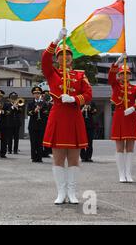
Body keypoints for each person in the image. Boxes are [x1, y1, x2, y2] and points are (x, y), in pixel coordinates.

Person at [42, 28, 93, 205]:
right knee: (58, 157)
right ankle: (60, 192)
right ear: (57, 58)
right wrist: (56, 40)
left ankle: (72, 192)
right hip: (57, 116)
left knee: (73, 157)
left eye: (68, 54)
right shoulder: (52, 73)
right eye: (61, 55)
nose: (65, 57)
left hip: (74, 116)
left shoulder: (80, 74)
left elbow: (88, 94)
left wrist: (74, 98)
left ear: (72, 57)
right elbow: (44, 60)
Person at [109, 53, 136, 183]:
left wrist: (134, 108)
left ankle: (128, 173)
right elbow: (110, 76)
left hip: (130, 116)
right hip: (119, 116)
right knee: (119, 147)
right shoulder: (115, 85)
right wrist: (118, 61)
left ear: (130, 75)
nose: (125, 76)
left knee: (130, 147)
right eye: (122, 74)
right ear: (119, 76)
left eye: (127, 74)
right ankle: (121, 174)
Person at [27, 87, 48, 163]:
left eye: (38, 93)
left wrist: (41, 109)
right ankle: (33, 157)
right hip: (32, 125)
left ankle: (39, 157)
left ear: (40, 94)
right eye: (35, 93)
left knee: (40, 142)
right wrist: (34, 110)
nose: (37, 95)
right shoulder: (30, 103)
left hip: (41, 125)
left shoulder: (44, 103)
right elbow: (28, 113)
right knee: (33, 142)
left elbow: (46, 112)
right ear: (33, 94)